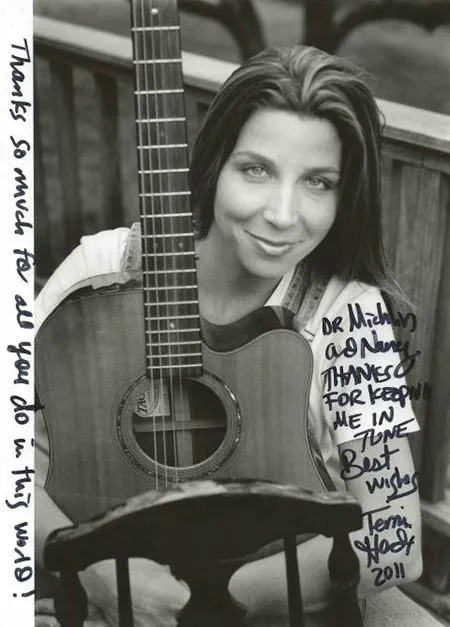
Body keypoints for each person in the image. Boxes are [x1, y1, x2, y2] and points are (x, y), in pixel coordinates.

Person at [35, 45, 438, 626]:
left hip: (279, 596)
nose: (281, 213)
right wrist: (93, 570)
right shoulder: (104, 270)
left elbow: (394, 541)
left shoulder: (349, 313)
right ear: (215, 164)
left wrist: (208, 602)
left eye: (318, 182)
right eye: (257, 169)